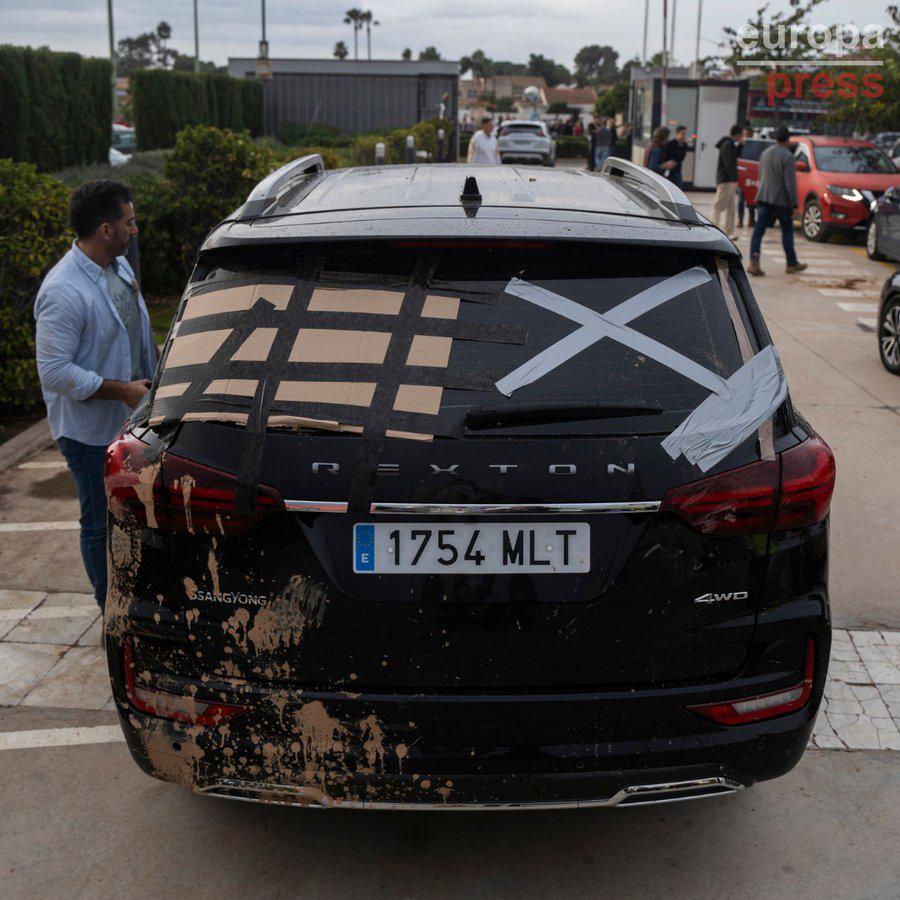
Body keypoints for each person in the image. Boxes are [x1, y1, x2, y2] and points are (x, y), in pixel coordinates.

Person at [34, 181, 157, 610]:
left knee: (135, 519)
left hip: (131, 422)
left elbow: (134, 331)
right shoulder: (64, 291)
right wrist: (122, 390)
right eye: (129, 222)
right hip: (88, 436)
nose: (135, 230)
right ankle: (112, 613)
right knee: (99, 523)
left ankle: (134, 596)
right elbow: (53, 371)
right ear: (106, 229)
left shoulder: (118, 268)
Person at [748, 125, 807, 276]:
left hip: (763, 197)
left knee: (758, 231)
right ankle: (791, 264)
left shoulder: (765, 153)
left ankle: (754, 262)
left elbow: (761, 175)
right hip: (781, 201)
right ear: (787, 139)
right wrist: (794, 203)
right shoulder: (788, 156)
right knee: (787, 231)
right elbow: (790, 183)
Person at [711, 124, 743, 240]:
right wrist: (734, 179)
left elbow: (735, 157)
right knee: (719, 205)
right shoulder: (727, 144)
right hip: (726, 180)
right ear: (738, 134)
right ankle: (713, 229)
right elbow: (729, 163)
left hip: (728, 179)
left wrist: (740, 146)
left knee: (731, 206)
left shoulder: (730, 144)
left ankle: (729, 232)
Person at [737, 125, 756, 227]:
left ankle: (751, 219)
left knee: (751, 200)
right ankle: (740, 220)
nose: (746, 136)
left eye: (748, 134)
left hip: (751, 177)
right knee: (741, 200)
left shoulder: (755, 146)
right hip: (742, 177)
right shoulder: (740, 146)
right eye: (744, 134)